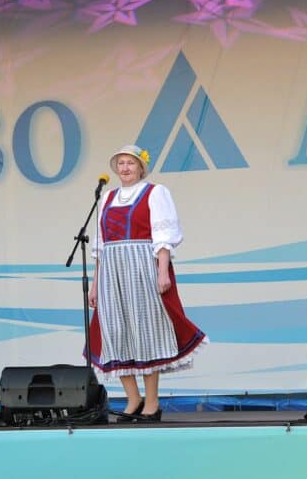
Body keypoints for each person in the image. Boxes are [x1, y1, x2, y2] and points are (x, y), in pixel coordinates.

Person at [86, 145, 207, 423]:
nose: (125, 168)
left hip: (142, 265)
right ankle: (133, 398)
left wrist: (162, 271)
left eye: (130, 163)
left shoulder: (155, 193)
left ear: (141, 168)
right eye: (121, 163)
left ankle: (152, 403)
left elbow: (163, 236)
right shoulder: (107, 198)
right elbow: (100, 246)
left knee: (146, 331)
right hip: (112, 269)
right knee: (115, 331)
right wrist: (95, 285)